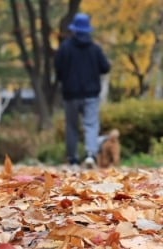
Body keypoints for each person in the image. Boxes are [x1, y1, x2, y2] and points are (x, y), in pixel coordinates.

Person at [54, 13, 111, 167]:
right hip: (91, 93)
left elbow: (58, 69)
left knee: (72, 126)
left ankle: (72, 159)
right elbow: (105, 68)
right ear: (88, 29)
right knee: (91, 124)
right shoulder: (95, 49)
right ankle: (90, 155)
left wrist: (64, 80)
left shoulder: (64, 48)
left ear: (73, 29)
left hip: (70, 94)